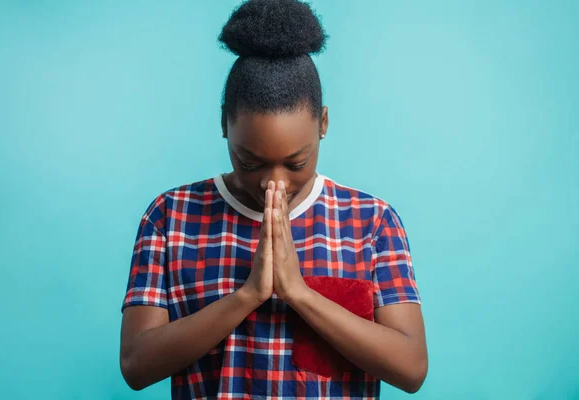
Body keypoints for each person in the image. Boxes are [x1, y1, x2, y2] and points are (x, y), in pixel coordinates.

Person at [119, 0, 428, 398]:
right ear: (223, 125)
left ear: (323, 124)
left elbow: (411, 368)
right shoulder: (170, 216)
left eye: (296, 162)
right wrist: (249, 295)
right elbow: (136, 365)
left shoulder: (371, 221)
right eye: (250, 163)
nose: (273, 184)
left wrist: (299, 292)